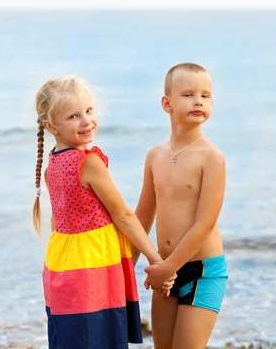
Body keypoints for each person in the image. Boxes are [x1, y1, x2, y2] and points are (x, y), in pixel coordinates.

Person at [32, 76, 175, 349]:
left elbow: (57, 221)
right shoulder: (89, 162)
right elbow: (122, 215)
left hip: (61, 266)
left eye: (88, 111)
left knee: (73, 338)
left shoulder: (52, 166)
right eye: (73, 116)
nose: (86, 121)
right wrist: (156, 259)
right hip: (92, 266)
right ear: (51, 126)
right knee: (100, 338)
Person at [132, 63, 229, 349]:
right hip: (165, 268)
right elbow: (143, 216)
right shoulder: (155, 156)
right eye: (188, 94)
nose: (198, 100)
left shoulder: (212, 158)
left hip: (202, 271)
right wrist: (127, 264)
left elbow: (204, 224)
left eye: (205, 95)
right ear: (167, 104)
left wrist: (168, 268)